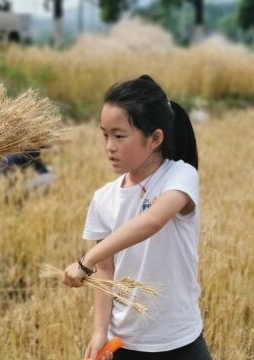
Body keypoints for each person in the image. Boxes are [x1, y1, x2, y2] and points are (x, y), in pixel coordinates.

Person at [63, 75, 211, 360]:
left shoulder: (180, 176)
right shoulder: (103, 198)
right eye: (105, 135)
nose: (110, 146)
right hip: (125, 344)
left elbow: (152, 221)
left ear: (155, 139)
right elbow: (106, 271)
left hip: (181, 341)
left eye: (119, 136)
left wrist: (86, 261)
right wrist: (99, 333)